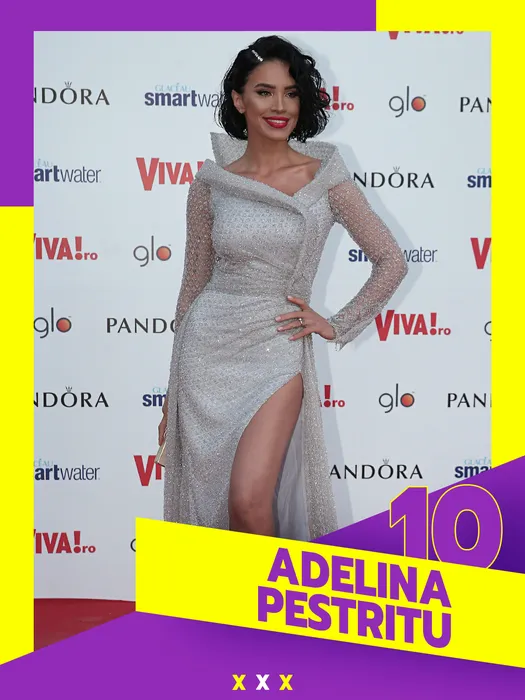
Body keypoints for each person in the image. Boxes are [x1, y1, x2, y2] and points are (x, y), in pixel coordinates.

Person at [157, 35, 408, 541]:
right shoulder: (210, 185)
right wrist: (171, 394)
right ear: (238, 100)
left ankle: (267, 596)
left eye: (291, 93)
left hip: (277, 347)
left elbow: (391, 260)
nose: (280, 106)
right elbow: (192, 285)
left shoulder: (325, 179)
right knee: (212, 507)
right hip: (206, 348)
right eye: (264, 92)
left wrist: (336, 323)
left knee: (248, 500)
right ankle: (228, 595)